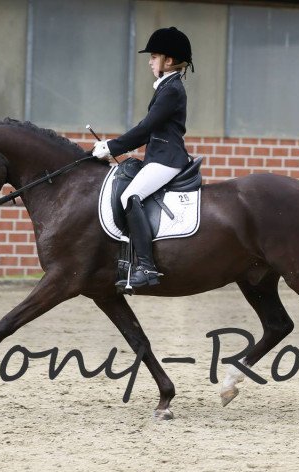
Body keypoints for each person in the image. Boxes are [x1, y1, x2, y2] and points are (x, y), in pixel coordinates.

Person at [93, 26, 194, 289]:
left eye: (154, 56)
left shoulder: (171, 90)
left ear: (168, 61)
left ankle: (147, 268)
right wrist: (112, 146)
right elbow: (145, 131)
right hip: (159, 156)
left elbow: (146, 128)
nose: (149, 61)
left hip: (167, 159)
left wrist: (112, 146)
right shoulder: (166, 86)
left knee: (130, 196)